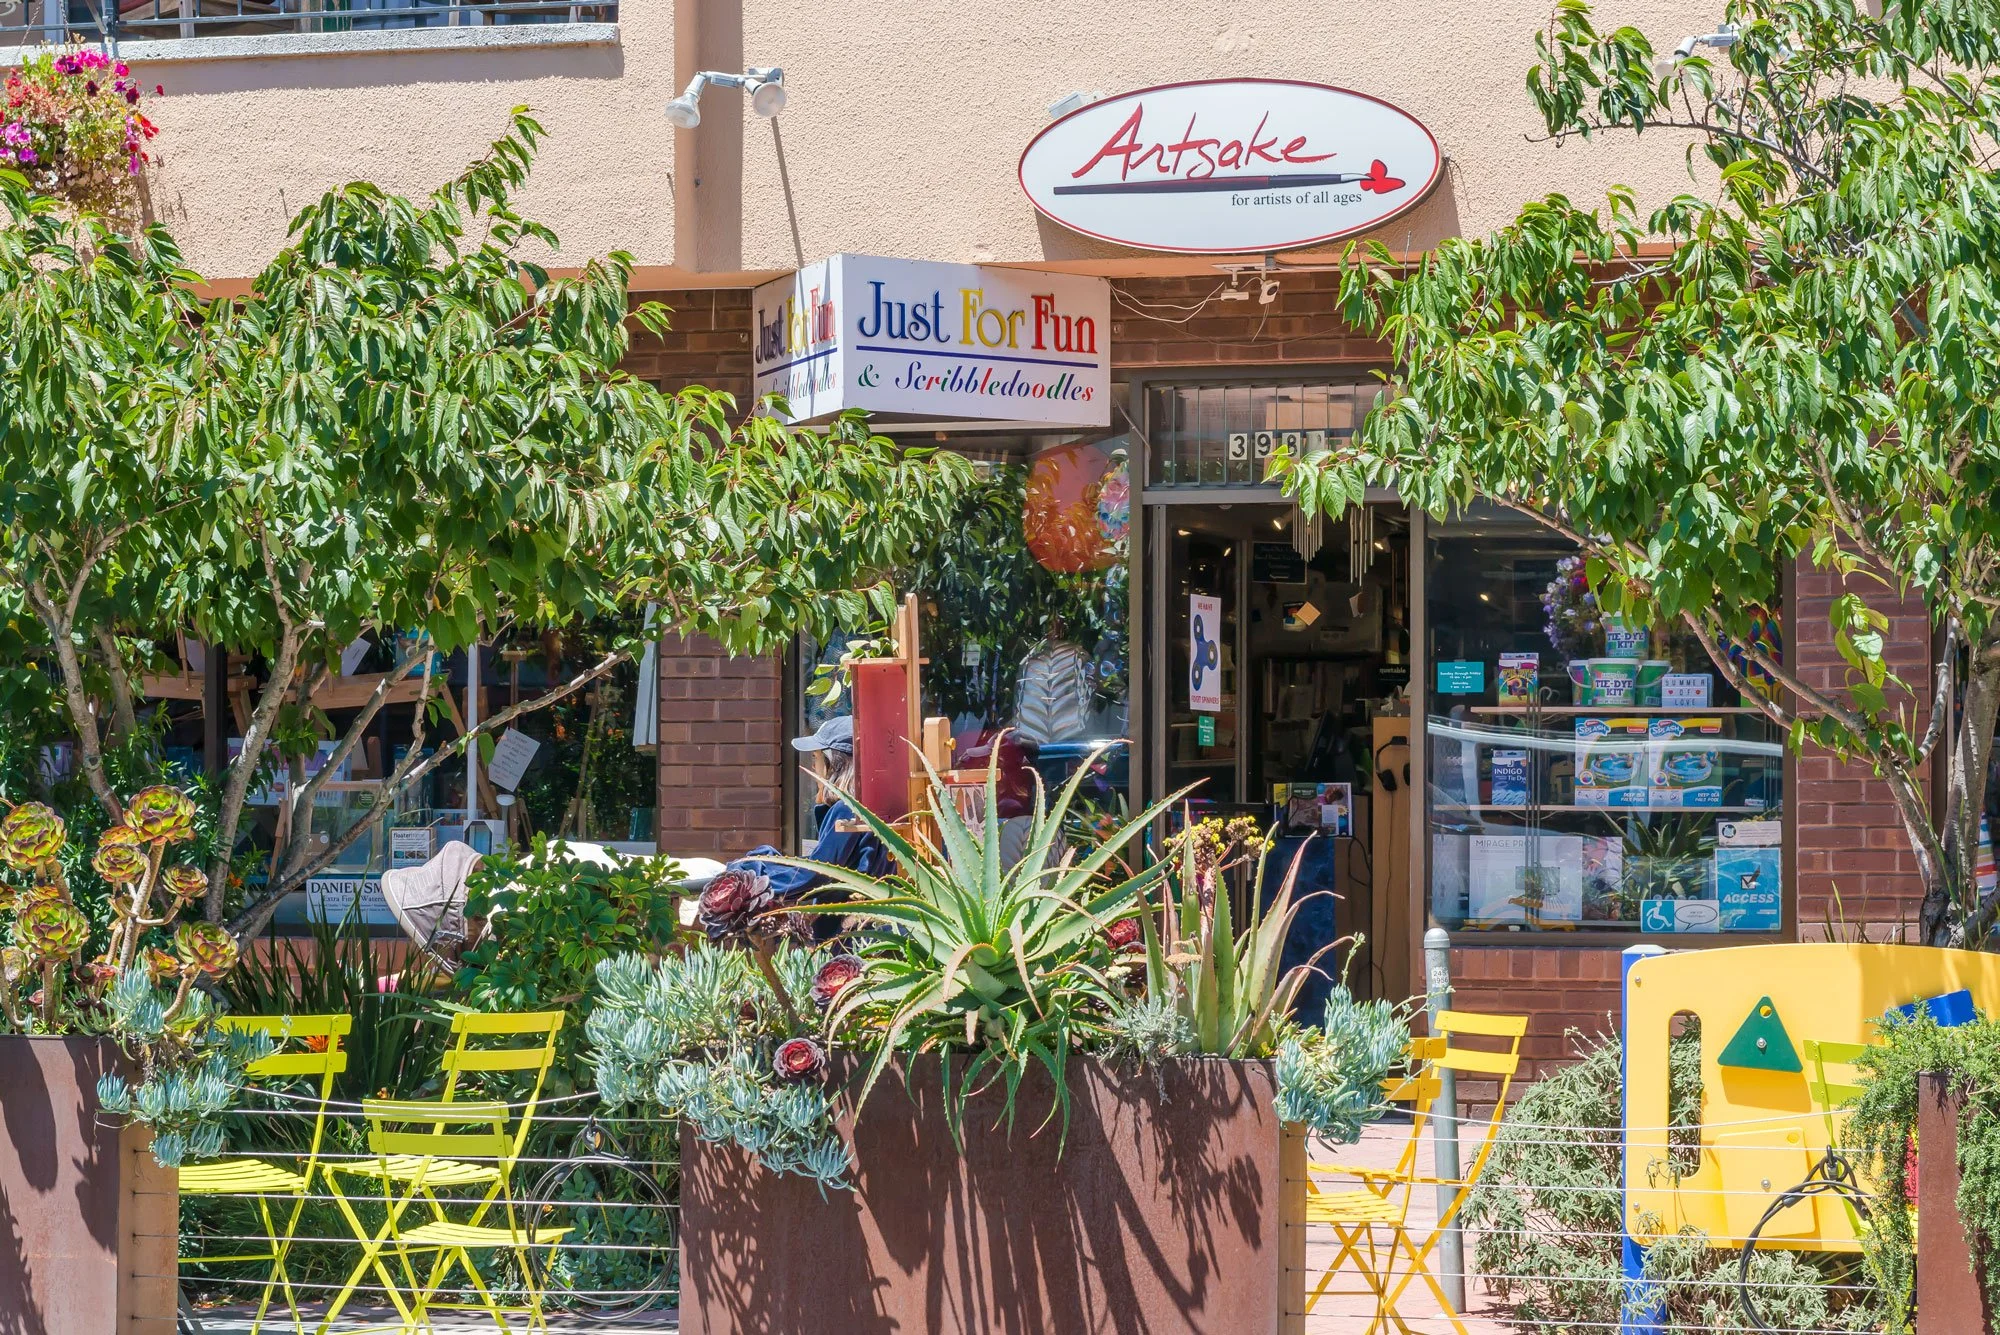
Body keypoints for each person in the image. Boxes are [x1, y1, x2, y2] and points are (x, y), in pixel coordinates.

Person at [726, 715, 888, 938]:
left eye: (816, 757)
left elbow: (815, 873)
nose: (813, 766)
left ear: (835, 764)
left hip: (849, 937)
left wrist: (753, 872)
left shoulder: (847, 809)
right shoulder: (868, 807)